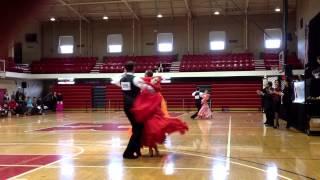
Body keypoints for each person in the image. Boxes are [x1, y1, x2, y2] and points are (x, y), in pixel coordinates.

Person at [131, 75, 188, 157]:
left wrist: (147, 81)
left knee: (153, 131)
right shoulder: (146, 85)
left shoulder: (154, 88)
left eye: (157, 80)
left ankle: (154, 149)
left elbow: (148, 85)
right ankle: (152, 149)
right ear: (152, 78)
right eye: (155, 79)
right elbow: (141, 81)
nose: (155, 81)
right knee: (147, 132)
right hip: (146, 112)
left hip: (153, 113)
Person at [111, 61, 149, 159]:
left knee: (137, 128)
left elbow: (113, 81)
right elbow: (147, 89)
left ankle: (136, 150)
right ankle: (128, 152)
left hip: (126, 106)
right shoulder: (136, 79)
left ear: (125, 68)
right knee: (138, 129)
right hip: (135, 107)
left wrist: (124, 73)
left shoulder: (121, 79)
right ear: (134, 68)